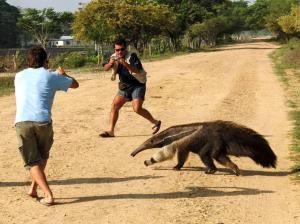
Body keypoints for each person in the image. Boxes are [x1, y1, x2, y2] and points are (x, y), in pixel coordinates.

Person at [14, 46, 79, 206]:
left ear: (28, 61)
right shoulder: (52, 76)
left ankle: (42, 192)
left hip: (22, 122)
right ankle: (39, 191)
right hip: (43, 121)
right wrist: (63, 74)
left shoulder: (18, 76)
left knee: (32, 161)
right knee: (41, 157)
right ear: (46, 61)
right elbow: (75, 84)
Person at [100, 38, 161, 137]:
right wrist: (110, 64)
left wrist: (124, 63)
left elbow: (136, 71)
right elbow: (105, 68)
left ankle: (156, 122)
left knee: (137, 109)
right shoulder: (113, 57)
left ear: (125, 49)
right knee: (115, 106)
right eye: (117, 50)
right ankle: (111, 131)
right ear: (114, 50)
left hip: (138, 84)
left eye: (122, 49)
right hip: (125, 86)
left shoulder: (132, 56)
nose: (120, 52)